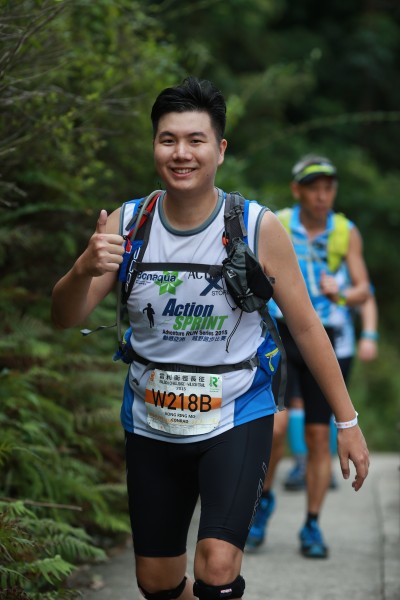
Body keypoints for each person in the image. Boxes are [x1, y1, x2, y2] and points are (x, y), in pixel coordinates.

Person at [51, 81, 369, 599]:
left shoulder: (256, 227)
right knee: (156, 583)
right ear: (154, 146)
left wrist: (347, 421)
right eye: (168, 140)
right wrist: (83, 268)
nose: (181, 153)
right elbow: (65, 316)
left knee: (217, 567)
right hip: (151, 422)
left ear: (219, 150)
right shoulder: (128, 224)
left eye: (195, 140)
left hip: (235, 415)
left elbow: (307, 326)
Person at [245, 154, 371, 559]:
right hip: (281, 333)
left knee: (320, 436)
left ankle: (312, 524)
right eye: (313, 188)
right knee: (276, 428)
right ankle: (263, 501)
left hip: (327, 338)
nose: (321, 195)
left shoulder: (345, 232)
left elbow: (363, 290)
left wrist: (342, 293)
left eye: (328, 188)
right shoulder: (276, 222)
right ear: (297, 190)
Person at [283, 286, 379, 491]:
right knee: (297, 402)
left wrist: (369, 334)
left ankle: (324, 460)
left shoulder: (344, 264)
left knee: (328, 407)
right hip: (295, 337)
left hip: (339, 343)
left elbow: (365, 295)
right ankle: (302, 462)